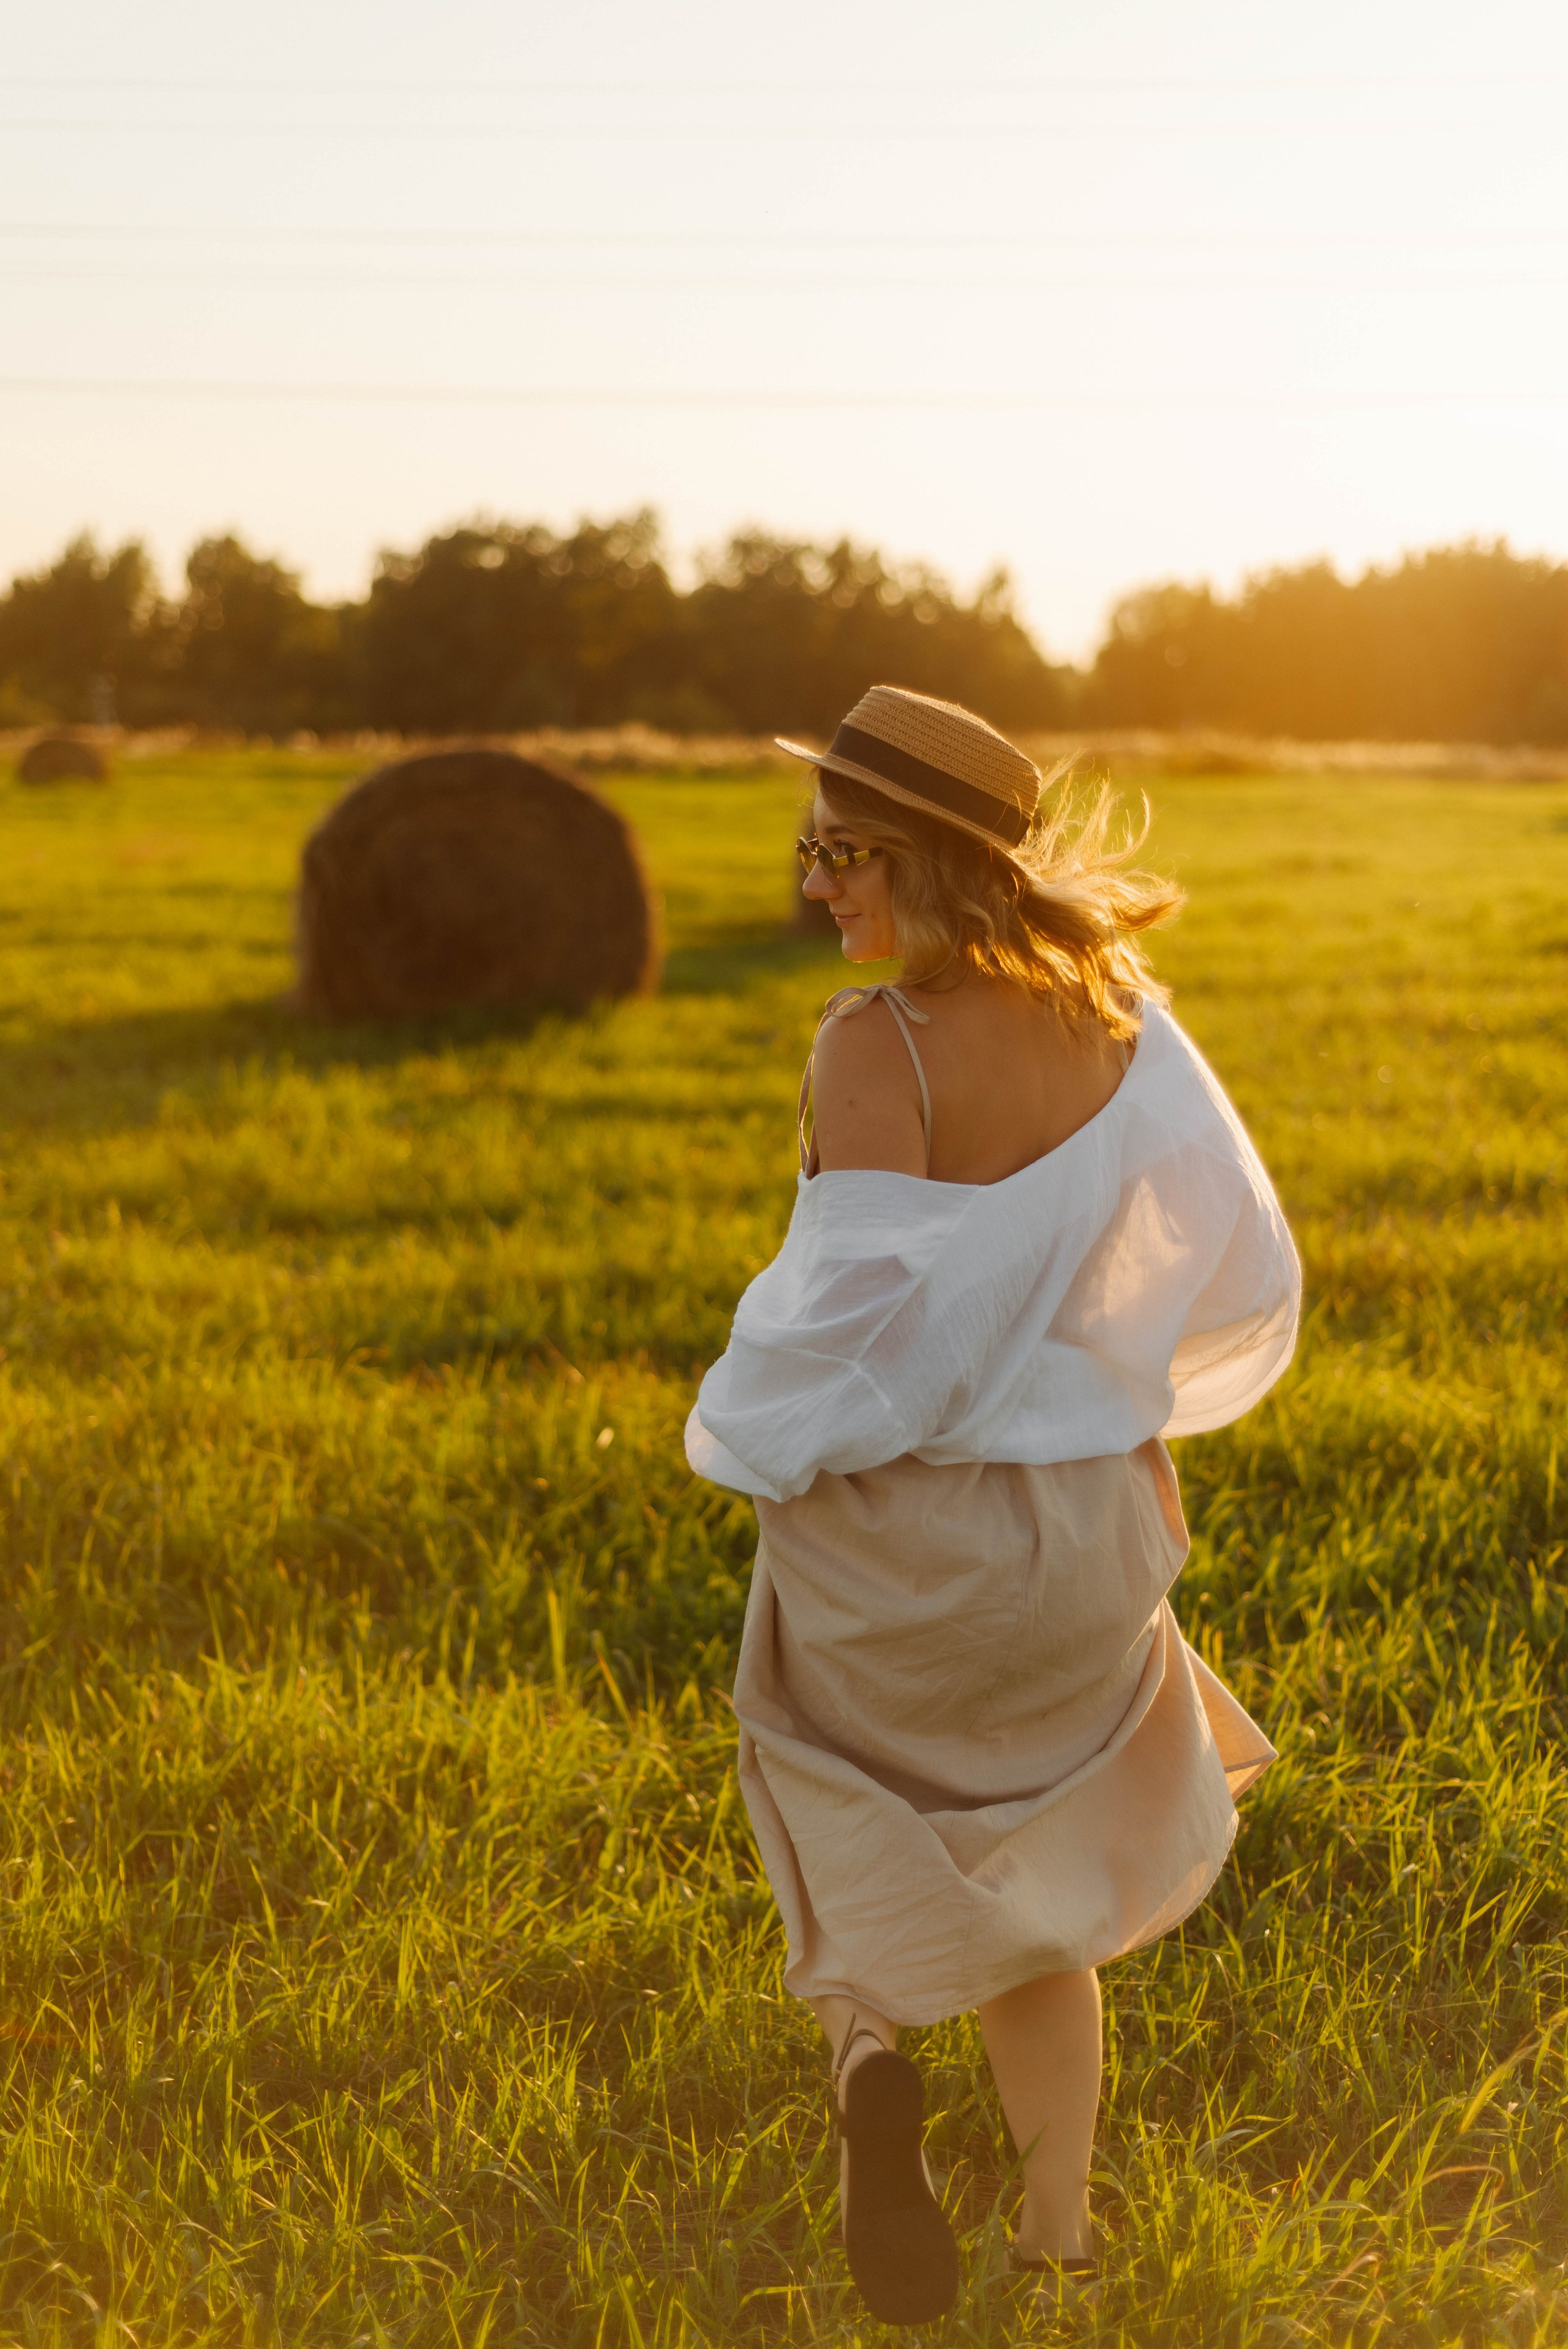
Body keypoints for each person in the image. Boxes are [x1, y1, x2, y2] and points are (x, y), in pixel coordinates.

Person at [685, 685, 1300, 2327]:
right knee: (1048, 1887)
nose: (816, 883)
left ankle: (869, 2060)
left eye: (846, 852)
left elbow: (856, 1335)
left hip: (910, 1545)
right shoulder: (1119, 1017)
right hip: (1090, 1536)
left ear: (935, 861)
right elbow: (1211, 1243)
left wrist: (741, 1431)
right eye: (811, 847)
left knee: (824, 1779)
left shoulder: (872, 1043)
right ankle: (1058, 2234)